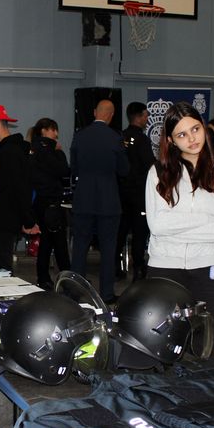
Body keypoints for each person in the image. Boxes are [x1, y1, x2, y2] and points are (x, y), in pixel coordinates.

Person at [145, 102, 214, 354]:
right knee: (162, 332)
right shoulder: (158, 173)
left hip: (208, 264)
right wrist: (207, 220)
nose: (191, 138)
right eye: (182, 134)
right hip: (165, 263)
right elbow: (157, 225)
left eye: (195, 129)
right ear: (171, 140)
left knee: (207, 333)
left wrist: (176, 222)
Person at [70, 99, 129, 303]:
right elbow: (124, 170)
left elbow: (74, 168)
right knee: (108, 248)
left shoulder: (80, 136)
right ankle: (106, 293)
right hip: (108, 201)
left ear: (95, 111)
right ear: (111, 116)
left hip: (83, 199)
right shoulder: (115, 138)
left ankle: (75, 291)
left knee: (79, 247)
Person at [0, 104, 39, 270]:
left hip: (4, 222)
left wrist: (28, 221)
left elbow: (20, 188)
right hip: (4, 220)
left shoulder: (10, 151)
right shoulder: (10, 149)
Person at [28, 118, 71, 288]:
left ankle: (43, 277)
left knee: (46, 241)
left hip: (39, 200)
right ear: (45, 130)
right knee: (59, 243)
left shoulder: (32, 150)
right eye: (54, 130)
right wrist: (58, 153)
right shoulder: (50, 151)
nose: (57, 134)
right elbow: (63, 171)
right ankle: (67, 278)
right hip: (52, 201)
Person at [117, 101, 156, 282]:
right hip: (139, 195)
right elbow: (150, 166)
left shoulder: (120, 137)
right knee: (139, 234)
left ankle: (116, 267)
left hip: (121, 194)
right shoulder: (142, 140)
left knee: (120, 231)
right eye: (146, 115)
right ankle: (138, 269)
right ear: (139, 116)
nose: (147, 118)